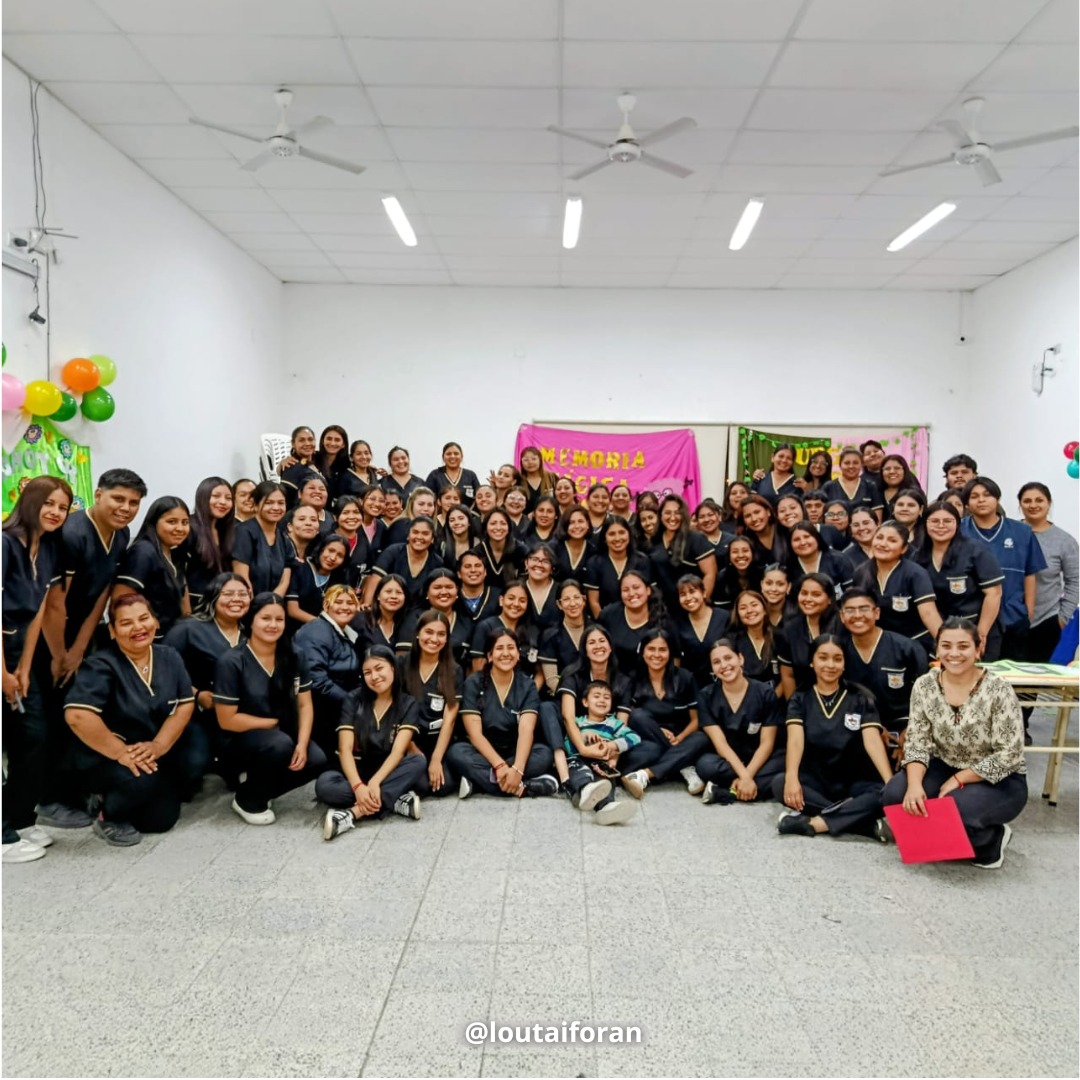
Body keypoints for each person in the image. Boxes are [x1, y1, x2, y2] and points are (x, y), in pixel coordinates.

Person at [38, 468, 146, 830]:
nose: (125, 508)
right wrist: (59, 653)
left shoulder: (120, 534)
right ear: (98, 494)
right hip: (45, 638)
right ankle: (48, 800)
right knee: (49, 721)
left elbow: (102, 592)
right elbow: (55, 603)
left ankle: (73, 789)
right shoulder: (71, 533)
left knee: (75, 715)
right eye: (118, 499)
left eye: (133, 503)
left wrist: (81, 646)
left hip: (76, 641)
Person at [883, 619, 1027, 869]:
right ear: (937, 649)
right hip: (943, 764)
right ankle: (946, 840)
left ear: (978, 648)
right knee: (896, 796)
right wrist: (914, 785)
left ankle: (991, 842)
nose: (954, 654)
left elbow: (1010, 754)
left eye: (963, 646)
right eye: (946, 646)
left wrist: (960, 779)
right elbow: (918, 741)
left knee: (955, 812)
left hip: (999, 777)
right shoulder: (925, 685)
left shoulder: (998, 688)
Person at [64, 594, 203, 846]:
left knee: (161, 821)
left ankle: (125, 796)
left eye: (144, 618)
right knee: (140, 779)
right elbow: (77, 715)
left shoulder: (169, 656)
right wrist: (121, 753)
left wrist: (159, 745)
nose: (138, 628)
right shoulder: (101, 664)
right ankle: (108, 816)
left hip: (149, 749)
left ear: (155, 622)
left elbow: (185, 703)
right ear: (113, 631)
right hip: (104, 755)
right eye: (126, 623)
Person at [2, 477, 72, 861]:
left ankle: (18, 817)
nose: (55, 512)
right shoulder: (5, 544)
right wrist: (3, 672)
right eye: (48, 503)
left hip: (18, 653)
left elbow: (38, 612)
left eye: (62, 507)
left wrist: (25, 667)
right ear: (28, 501)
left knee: (33, 739)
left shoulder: (46, 549)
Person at [213, 593, 327, 825]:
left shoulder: (295, 655)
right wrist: (271, 723)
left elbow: (305, 704)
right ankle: (247, 800)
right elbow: (227, 720)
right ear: (251, 620)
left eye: (279, 619)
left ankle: (258, 787)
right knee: (280, 744)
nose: (273, 625)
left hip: (280, 733)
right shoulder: (232, 661)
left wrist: (303, 745)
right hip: (238, 738)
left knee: (316, 759)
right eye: (266, 618)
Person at [773, 634, 893, 838]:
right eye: (823, 658)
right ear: (812, 662)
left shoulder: (861, 698)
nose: (830, 665)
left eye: (837, 659)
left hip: (855, 781)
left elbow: (872, 741)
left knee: (880, 795)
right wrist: (792, 778)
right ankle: (862, 825)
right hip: (818, 781)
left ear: (845, 664)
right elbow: (795, 741)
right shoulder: (800, 698)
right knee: (780, 783)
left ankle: (814, 824)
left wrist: (890, 784)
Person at [317, 645, 427, 840]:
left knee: (418, 762)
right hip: (356, 771)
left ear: (393, 667)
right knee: (325, 786)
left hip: (387, 771)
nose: (374, 676)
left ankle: (352, 814)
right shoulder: (353, 699)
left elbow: (398, 752)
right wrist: (359, 786)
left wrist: (375, 782)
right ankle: (393, 800)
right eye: (367, 672)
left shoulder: (408, 703)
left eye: (379, 668)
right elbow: (345, 749)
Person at [446, 628, 558, 799]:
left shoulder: (527, 685)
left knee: (544, 754)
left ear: (518, 654)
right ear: (490, 656)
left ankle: (481, 783)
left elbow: (526, 730)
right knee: (457, 752)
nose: (506, 653)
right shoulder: (473, 683)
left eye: (511, 648)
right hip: (482, 753)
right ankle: (522, 788)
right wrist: (499, 766)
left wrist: (518, 768)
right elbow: (475, 735)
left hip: (514, 751)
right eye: (499, 648)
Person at [163, 573, 250, 780]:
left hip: (237, 714)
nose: (236, 599)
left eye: (243, 594)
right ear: (213, 597)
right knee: (192, 767)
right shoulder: (187, 629)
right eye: (228, 594)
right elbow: (162, 670)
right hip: (194, 711)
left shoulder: (253, 631)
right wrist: (197, 695)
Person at [960, 478, 1048, 665]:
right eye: (974, 496)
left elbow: (1030, 574)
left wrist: (1028, 612)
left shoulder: (1022, 532)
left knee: (1014, 678)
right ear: (967, 503)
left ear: (998, 499)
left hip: (1013, 616)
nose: (981, 500)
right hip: (971, 619)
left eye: (987, 495)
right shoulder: (960, 530)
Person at [618, 629, 708, 798]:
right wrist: (659, 731)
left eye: (662, 650)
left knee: (702, 738)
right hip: (648, 736)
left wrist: (679, 739)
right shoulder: (634, 678)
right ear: (642, 651)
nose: (656, 655)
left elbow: (696, 720)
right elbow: (624, 718)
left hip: (681, 736)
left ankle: (644, 775)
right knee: (638, 717)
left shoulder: (685, 678)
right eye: (651, 649)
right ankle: (683, 765)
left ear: (670, 652)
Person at [695, 639, 786, 805]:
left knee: (784, 764)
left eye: (728, 658)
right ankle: (746, 787)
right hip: (728, 759)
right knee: (705, 765)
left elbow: (767, 743)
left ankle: (724, 792)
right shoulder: (706, 696)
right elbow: (720, 743)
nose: (724, 665)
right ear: (712, 669)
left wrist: (747, 775)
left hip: (760, 758)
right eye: (716, 662)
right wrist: (744, 776)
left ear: (740, 659)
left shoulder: (765, 693)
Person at [838, 588, 928, 741]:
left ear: (877, 613)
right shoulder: (839, 652)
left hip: (907, 728)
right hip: (859, 728)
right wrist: (873, 728)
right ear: (842, 616)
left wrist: (911, 731)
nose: (857, 615)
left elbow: (928, 695)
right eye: (850, 610)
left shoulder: (907, 648)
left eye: (864, 609)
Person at [915, 501, 1003, 657]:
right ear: (925, 524)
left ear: (957, 524)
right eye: (934, 521)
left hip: (975, 628)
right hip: (936, 631)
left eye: (948, 521)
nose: (941, 525)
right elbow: (925, 607)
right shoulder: (917, 555)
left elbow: (994, 593)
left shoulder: (975, 550)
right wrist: (943, 640)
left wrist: (980, 634)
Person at [292, 585, 368, 760]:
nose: (344, 607)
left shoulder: (349, 634)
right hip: (318, 709)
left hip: (336, 704)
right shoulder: (317, 629)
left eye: (350, 602)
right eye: (338, 601)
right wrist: (351, 702)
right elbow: (315, 679)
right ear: (327, 605)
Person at [398, 610, 463, 797]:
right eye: (429, 632)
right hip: (407, 740)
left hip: (437, 740)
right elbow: (394, 712)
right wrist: (411, 748)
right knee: (422, 786)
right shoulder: (401, 664)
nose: (434, 639)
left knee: (443, 786)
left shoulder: (454, 670)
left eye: (441, 634)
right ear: (418, 633)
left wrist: (435, 758)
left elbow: (450, 719)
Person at [853, 521, 941, 657]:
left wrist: (943, 643)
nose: (883, 544)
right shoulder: (861, 572)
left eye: (892, 540)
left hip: (915, 643)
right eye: (879, 537)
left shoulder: (915, 573)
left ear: (904, 548)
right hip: (881, 645)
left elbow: (928, 613)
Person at [559, 680, 640, 825]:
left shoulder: (614, 724)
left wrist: (613, 745)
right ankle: (585, 789)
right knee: (578, 769)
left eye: (606, 697)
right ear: (585, 702)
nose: (602, 700)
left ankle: (606, 808)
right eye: (596, 696)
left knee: (607, 781)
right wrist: (583, 737)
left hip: (602, 762)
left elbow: (634, 737)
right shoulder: (578, 723)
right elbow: (568, 746)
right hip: (580, 759)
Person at [1017, 482, 1078, 664]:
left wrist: (1063, 617)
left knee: (1033, 680)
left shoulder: (1064, 541)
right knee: (1007, 677)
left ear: (1049, 503)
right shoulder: (1011, 533)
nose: (1033, 505)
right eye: (1027, 501)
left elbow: (1074, 581)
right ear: (1020, 505)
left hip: (1047, 619)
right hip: (1011, 618)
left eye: (1039, 500)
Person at [115, 496, 192, 638]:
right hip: (147, 637)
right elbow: (121, 598)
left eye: (185, 522)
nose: (180, 528)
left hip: (173, 635)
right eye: (171, 522)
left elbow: (182, 594)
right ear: (154, 522)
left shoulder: (174, 551)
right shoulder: (143, 552)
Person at [775, 573, 842, 697]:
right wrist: (793, 710)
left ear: (830, 599)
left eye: (816, 595)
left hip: (842, 698)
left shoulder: (843, 625)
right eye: (804, 593)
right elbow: (788, 675)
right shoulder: (790, 629)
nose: (808, 599)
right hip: (804, 699)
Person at [650, 495, 717, 610]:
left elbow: (710, 573)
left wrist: (701, 603)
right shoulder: (654, 541)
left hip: (693, 606)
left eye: (677, 513)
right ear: (660, 515)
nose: (672, 517)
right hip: (665, 609)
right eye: (667, 513)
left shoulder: (696, 539)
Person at [362, 517, 443, 610]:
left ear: (432, 539)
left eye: (425, 534)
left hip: (418, 613)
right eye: (415, 532)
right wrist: (367, 605)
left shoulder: (437, 562)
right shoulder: (392, 552)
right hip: (387, 608)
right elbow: (375, 580)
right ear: (408, 535)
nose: (419, 537)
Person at [397, 568, 473, 664]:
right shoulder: (415, 618)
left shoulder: (466, 621)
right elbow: (402, 658)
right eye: (437, 587)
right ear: (427, 592)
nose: (444, 592)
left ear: (457, 591)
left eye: (449, 587)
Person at [597, 570, 669, 672]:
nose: (631, 593)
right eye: (625, 590)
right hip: (616, 678)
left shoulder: (662, 618)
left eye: (636, 588)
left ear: (648, 590)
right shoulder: (608, 615)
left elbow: (674, 659)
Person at [584, 516, 653, 619]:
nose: (617, 538)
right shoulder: (594, 563)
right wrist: (605, 626)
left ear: (629, 534)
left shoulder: (642, 560)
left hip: (639, 620)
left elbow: (649, 596)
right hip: (607, 623)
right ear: (604, 538)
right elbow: (594, 603)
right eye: (611, 534)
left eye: (622, 532)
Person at [231, 481, 290, 597]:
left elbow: (285, 581)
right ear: (256, 505)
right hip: (247, 603)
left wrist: (273, 602)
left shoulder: (283, 538)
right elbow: (241, 578)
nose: (276, 507)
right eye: (269, 503)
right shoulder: (243, 532)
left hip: (274, 606)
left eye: (281, 503)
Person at [185, 477, 235, 613]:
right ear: (203, 497)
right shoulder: (189, 527)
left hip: (220, 605)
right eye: (216, 496)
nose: (223, 502)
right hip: (194, 606)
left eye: (228, 498)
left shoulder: (226, 530)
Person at [672, 574, 730, 687]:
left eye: (692, 591)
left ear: (703, 593)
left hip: (723, 682)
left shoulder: (723, 617)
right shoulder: (678, 624)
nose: (688, 598)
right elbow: (676, 661)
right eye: (683, 594)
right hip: (692, 686)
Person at [469, 580, 538, 674]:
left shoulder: (533, 631)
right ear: (501, 600)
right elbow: (478, 668)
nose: (516, 604)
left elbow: (539, 672)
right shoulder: (486, 627)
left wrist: (531, 688)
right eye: (511, 598)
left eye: (522, 601)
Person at [538, 579, 590, 687]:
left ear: (584, 600)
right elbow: (552, 681)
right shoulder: (550, 636)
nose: (572, 603)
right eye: (566, 599)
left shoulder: (596, 631)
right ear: (559, 604)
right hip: (562, 695)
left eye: (577, 598)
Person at [786, 522, 854, 600]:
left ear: (817, 537)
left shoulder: (838, 559)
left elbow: (851, 594)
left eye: (807, 537)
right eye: (796, 539)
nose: (803, 542)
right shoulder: (789, 565)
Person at [729, 589, 779, 684]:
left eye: (754, 605)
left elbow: (787, 675)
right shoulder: (732, 641)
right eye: (743, 608)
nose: (749, 611)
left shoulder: (780, 636)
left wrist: (773, 697)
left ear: (764, 609)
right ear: (738, 614)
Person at [822, 447, 883, 518]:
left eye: (855, 463)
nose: (851, 466)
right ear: (840, 465)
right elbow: (822, 514)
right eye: (847, 463)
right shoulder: (829, 486)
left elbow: (877, 519)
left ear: (861, 465)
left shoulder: (870, 486)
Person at [425, 441, 481, 510]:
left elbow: (479, 496)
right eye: (448, 454)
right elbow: (427, 498)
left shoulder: (470, 475)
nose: (452, 456)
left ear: (462, 456)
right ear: (443, 457)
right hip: (440, 518)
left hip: (466, 518)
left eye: (456, 453)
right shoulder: (435, 475)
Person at [478, 507, 524, 587]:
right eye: (493, 523)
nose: (498, 528)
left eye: (503, 523)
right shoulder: (477, 552)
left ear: (509, 527)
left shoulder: (521, 550)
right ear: (486, 527)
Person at [713, 536, 763, 611]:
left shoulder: (763, 574)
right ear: (729, 556)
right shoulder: (722, 578)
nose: (740, 555)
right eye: (735, 552)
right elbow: (721, 610)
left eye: (745, 551)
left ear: (753, 554)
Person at [456, 550, 502, 628]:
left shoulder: (498, 596)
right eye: (467, 566)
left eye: (477, 565)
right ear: (459, 574)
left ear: (485, 572)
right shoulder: (453, 597)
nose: (473, 570)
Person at [278, 426, 322, 508]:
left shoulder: (320, 461)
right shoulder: (291, 467)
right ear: (293, 443)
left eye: (310, 439)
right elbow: (287, 501)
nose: (307, 443)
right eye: (302, 440)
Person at [739, 495, 787, 565]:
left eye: (757, 512)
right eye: (748, 516)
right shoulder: (744, 542)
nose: (754, 519)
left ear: (768, 512)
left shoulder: (784, 530)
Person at [366, 574, 409, 650]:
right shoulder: (361, 619)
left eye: (399, 592)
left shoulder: (407, 624)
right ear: (378, 595)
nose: (393, 596)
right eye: (388, 592)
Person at [552, 505, 593, 583]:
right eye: (571, 522)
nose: (577, 526)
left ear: (588, 523)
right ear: (565, 525)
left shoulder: (593, 552)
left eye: (580, 521)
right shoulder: (553, 548)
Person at [439, 505, 481, 571]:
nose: (456, 523)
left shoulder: (478, 544)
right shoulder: (442, 545)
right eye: (452, 520)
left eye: (461, 518)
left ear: (469, 522)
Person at [518, 446, 558, 513]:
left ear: (540, 460)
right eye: (526, 460)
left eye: (534, 459)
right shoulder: (518, 480)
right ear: (521, 462)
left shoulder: (551, 477)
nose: (530, 462)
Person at [691, 498, 732, 563]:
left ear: (719, 517)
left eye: (710, 515)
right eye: (701, 517)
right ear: (697, 521)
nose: (706, 520)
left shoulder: (731, 540)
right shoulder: (692, 543)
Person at [313, 424, 349, 496]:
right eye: (329, 439)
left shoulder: (347, 464)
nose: (332, 443)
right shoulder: (312, 458)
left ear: (343, 444)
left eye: (337, 440)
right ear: (323, 441)